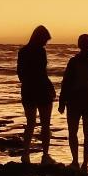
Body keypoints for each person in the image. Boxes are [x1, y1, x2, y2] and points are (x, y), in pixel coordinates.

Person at [58, 33, 88, 175]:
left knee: (74, 132)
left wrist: (62, 101)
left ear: (79, 44)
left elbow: (66, 83)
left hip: (77, 99)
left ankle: (77, 162)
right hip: (87, 98)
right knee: (87, 133)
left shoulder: (76, 61)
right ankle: (83, 163)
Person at [17, 25, 55, 164]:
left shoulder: (23, 51)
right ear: (40, 38)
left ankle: (25, 154)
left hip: (28, 90)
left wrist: (27, 84)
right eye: (45, 40)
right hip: (42, 90)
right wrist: (50, 87)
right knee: (45, 124)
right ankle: (45, 155)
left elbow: (20, 73)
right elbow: (42, 73)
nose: (46, 43)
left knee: (30, 123)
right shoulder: (40, 52)